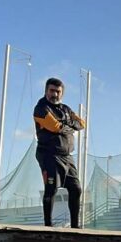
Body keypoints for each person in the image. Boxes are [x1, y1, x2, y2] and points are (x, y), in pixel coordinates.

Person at [33, 78, 85, 228]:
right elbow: (55, 127)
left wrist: (66, 125)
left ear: (62, 93)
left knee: (76, 188)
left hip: (67, 156)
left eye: (58, 91)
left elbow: (81, 124)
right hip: (48, 154)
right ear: (46, 90)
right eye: (52, 90)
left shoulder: (65, 108)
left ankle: (75, 227)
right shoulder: (41, 108)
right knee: (51, 189)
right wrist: (69, 126)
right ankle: (48, 226)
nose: (55, 94)